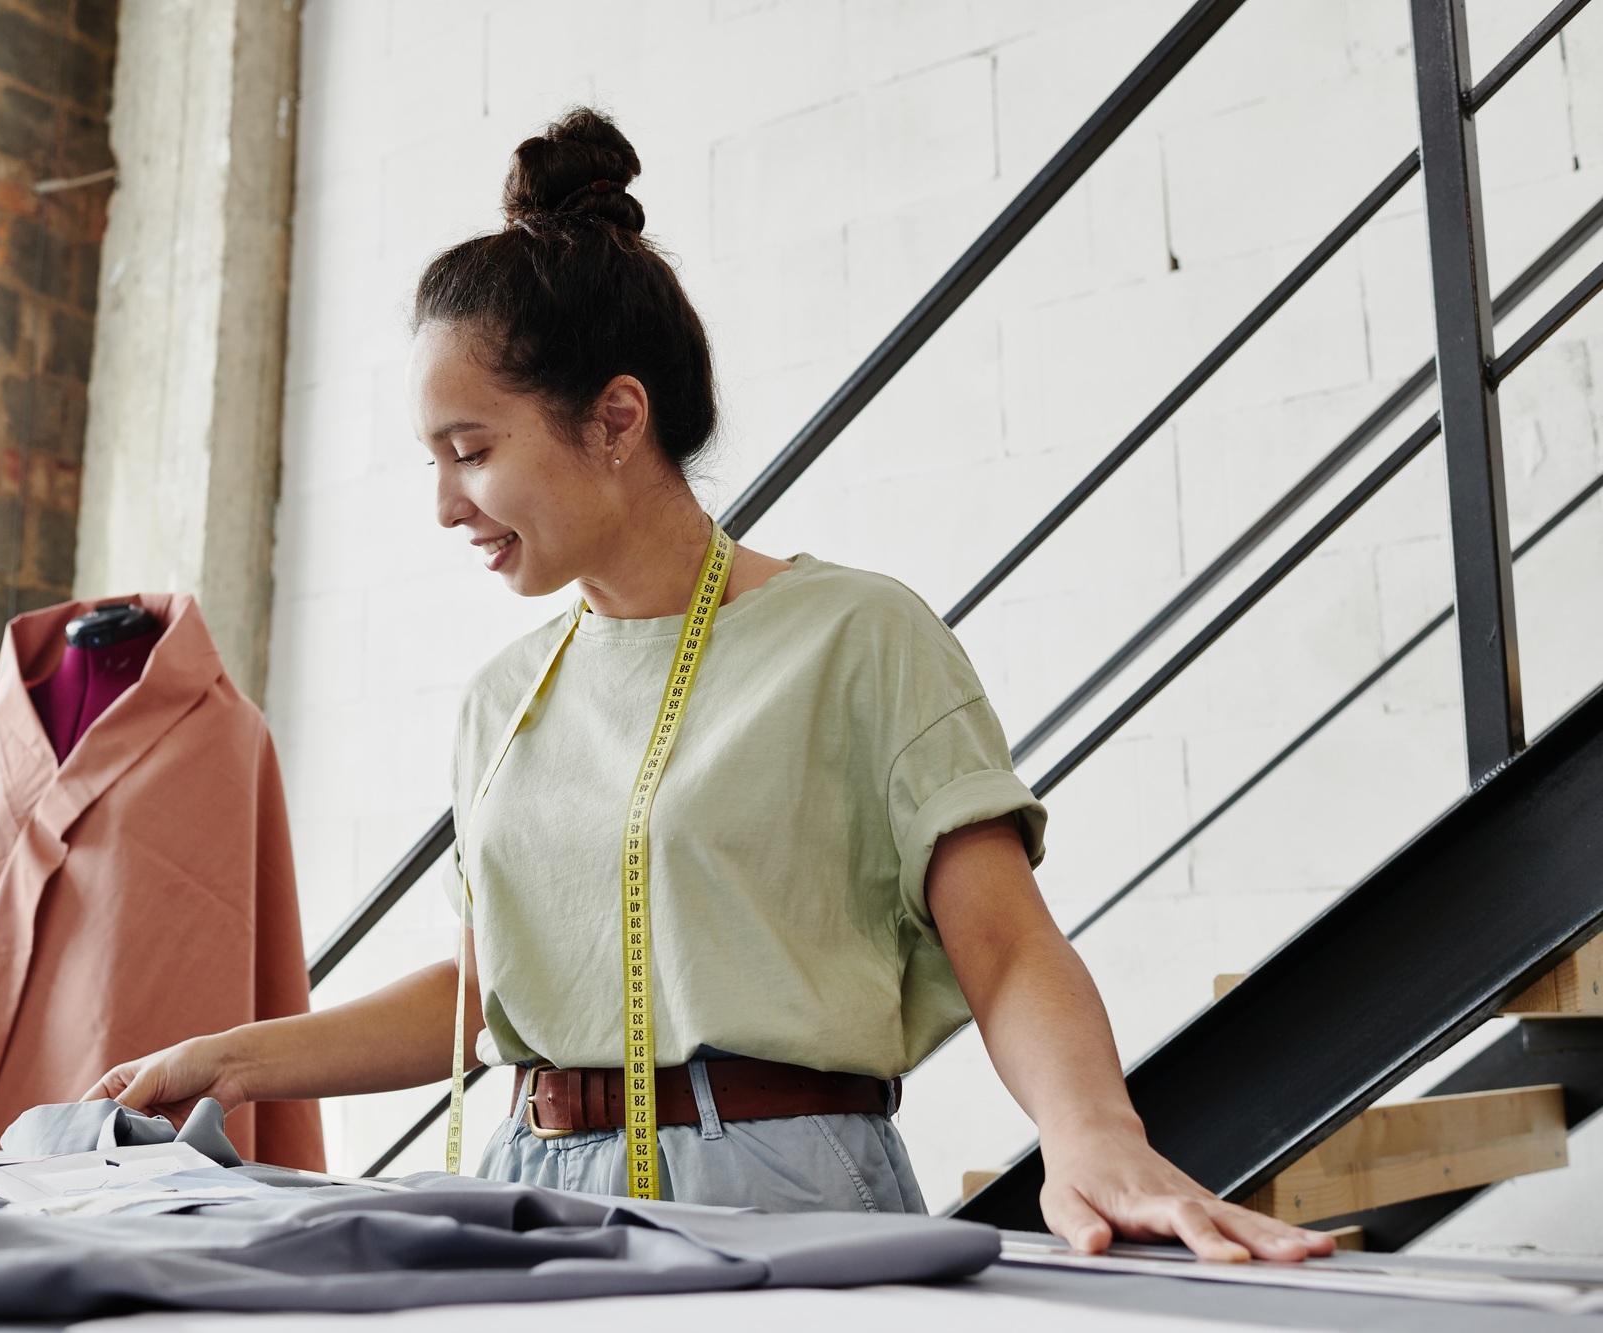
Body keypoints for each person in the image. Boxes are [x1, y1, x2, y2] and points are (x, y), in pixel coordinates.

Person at [90, 108, 1333, 1264]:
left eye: (470, 452)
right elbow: (491, 994)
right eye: (431, 460)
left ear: (616, 417)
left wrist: (1088, 1132)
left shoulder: (858, 637)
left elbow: (1003, 944)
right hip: (533, 1193)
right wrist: (233, 1060)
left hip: (780, 1195)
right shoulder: (503, 700)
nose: (442, 506)